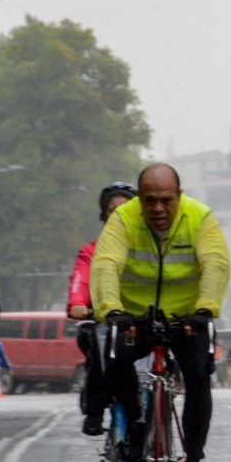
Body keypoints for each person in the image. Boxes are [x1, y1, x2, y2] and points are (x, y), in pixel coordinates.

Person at [92, 163, 230, 462]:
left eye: (166, 200)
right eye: (149, 200)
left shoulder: (200, 217)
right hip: (135, 318)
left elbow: (216, 263)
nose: (157, 208)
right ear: (138, 197)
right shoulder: (123, 219)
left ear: (179, 196)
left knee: (198, 378)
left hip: (187, 319)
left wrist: (206, 309)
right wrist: (111, 309)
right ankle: (138, 424)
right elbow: (106, 264)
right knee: (114, 363)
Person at [67, 182, 136, 435]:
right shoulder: (91, 251)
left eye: (126, 208)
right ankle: (95, 410)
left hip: (142, 321)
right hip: (107, 322)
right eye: (112, 210)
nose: (118, 215)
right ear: (103, 215)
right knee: (97, 349)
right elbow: (81, 279)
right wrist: (77, 304)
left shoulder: (149, 247)